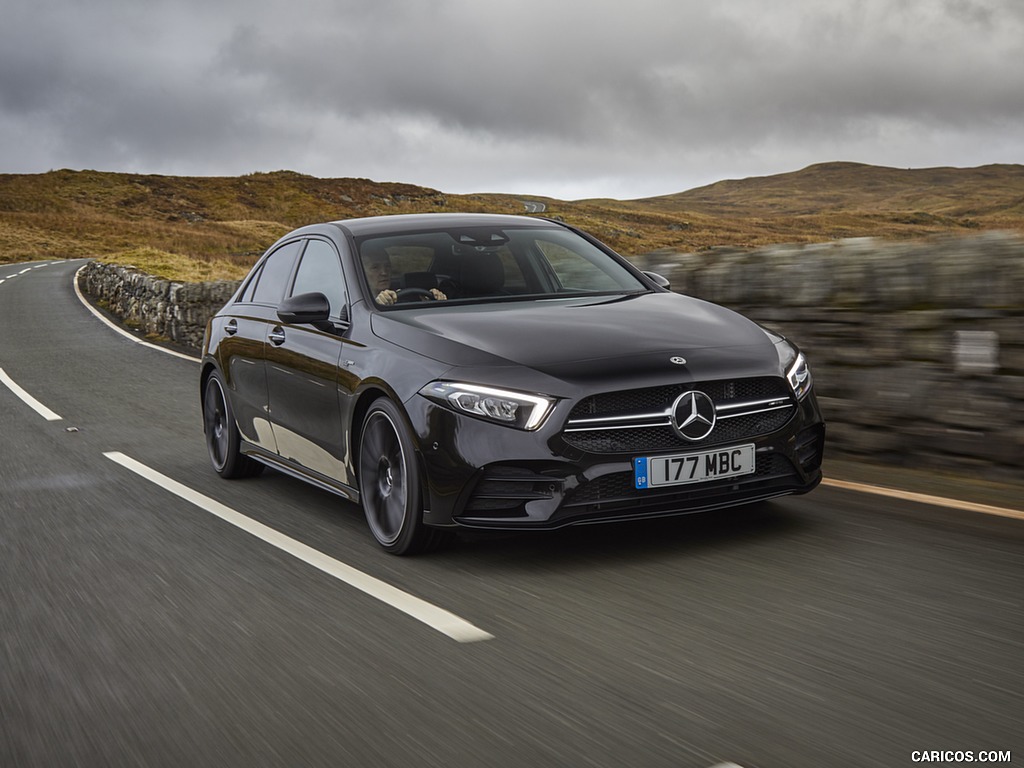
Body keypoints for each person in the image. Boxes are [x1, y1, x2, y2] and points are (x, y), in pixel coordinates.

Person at [362, 246, 446, 305]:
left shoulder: (410, 297)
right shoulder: (356, 301)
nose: (384, 272)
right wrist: (378, 304)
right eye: (375, 268)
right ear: (362, 272)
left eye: (387, 266)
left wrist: (436, 301)